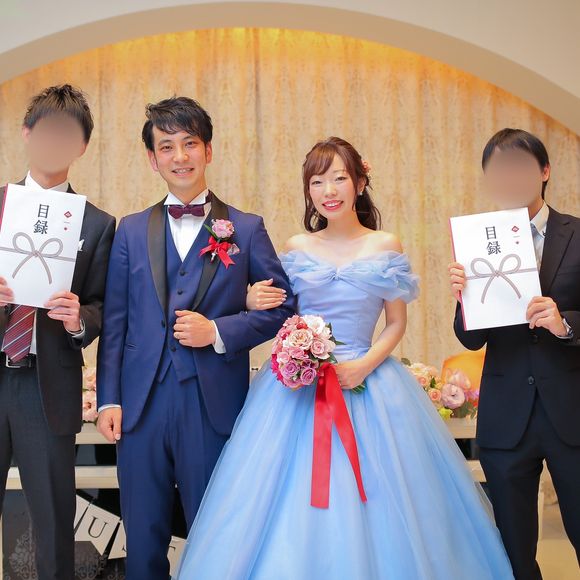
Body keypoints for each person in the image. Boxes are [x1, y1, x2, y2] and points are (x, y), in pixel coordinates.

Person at [176, 137, 514, 579]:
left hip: (369, 381)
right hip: (298, 389)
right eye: (317, 182)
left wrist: (363, 365)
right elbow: (280, 311)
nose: (329, 190)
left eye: (339, 178)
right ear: (308, 190)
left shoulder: (385, 244)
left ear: (359, 183)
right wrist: (252, 300)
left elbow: (395, 323)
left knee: (390, 500)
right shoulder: (296, 246)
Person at [96, 96, 296, 579]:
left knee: (214, 534)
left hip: (212, 404)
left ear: (208, 150)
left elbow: (284, 307)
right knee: (142, 536)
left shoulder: (246, 228)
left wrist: (219, 331)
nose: (180, 156)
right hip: (140, 405)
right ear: (153, 159)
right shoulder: (129, 230)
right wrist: (108, 400)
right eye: (167, 147)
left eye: (189, 144)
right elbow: (117, 322)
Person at [449, 128, 580, 579]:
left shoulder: (577, 234)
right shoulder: (477, 242)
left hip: (571, 411)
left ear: (544, 171)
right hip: (507, 416)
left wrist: (565, 323)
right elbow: (471, 340)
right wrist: (464, 299)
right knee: (513, 552)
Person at [0, 84, 116, 580]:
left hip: (46, 387)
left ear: (81, 145)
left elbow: (104, 306)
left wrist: (79, 319)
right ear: (27, 134)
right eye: (46, 130)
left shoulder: (98, 223)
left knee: (52, 523)